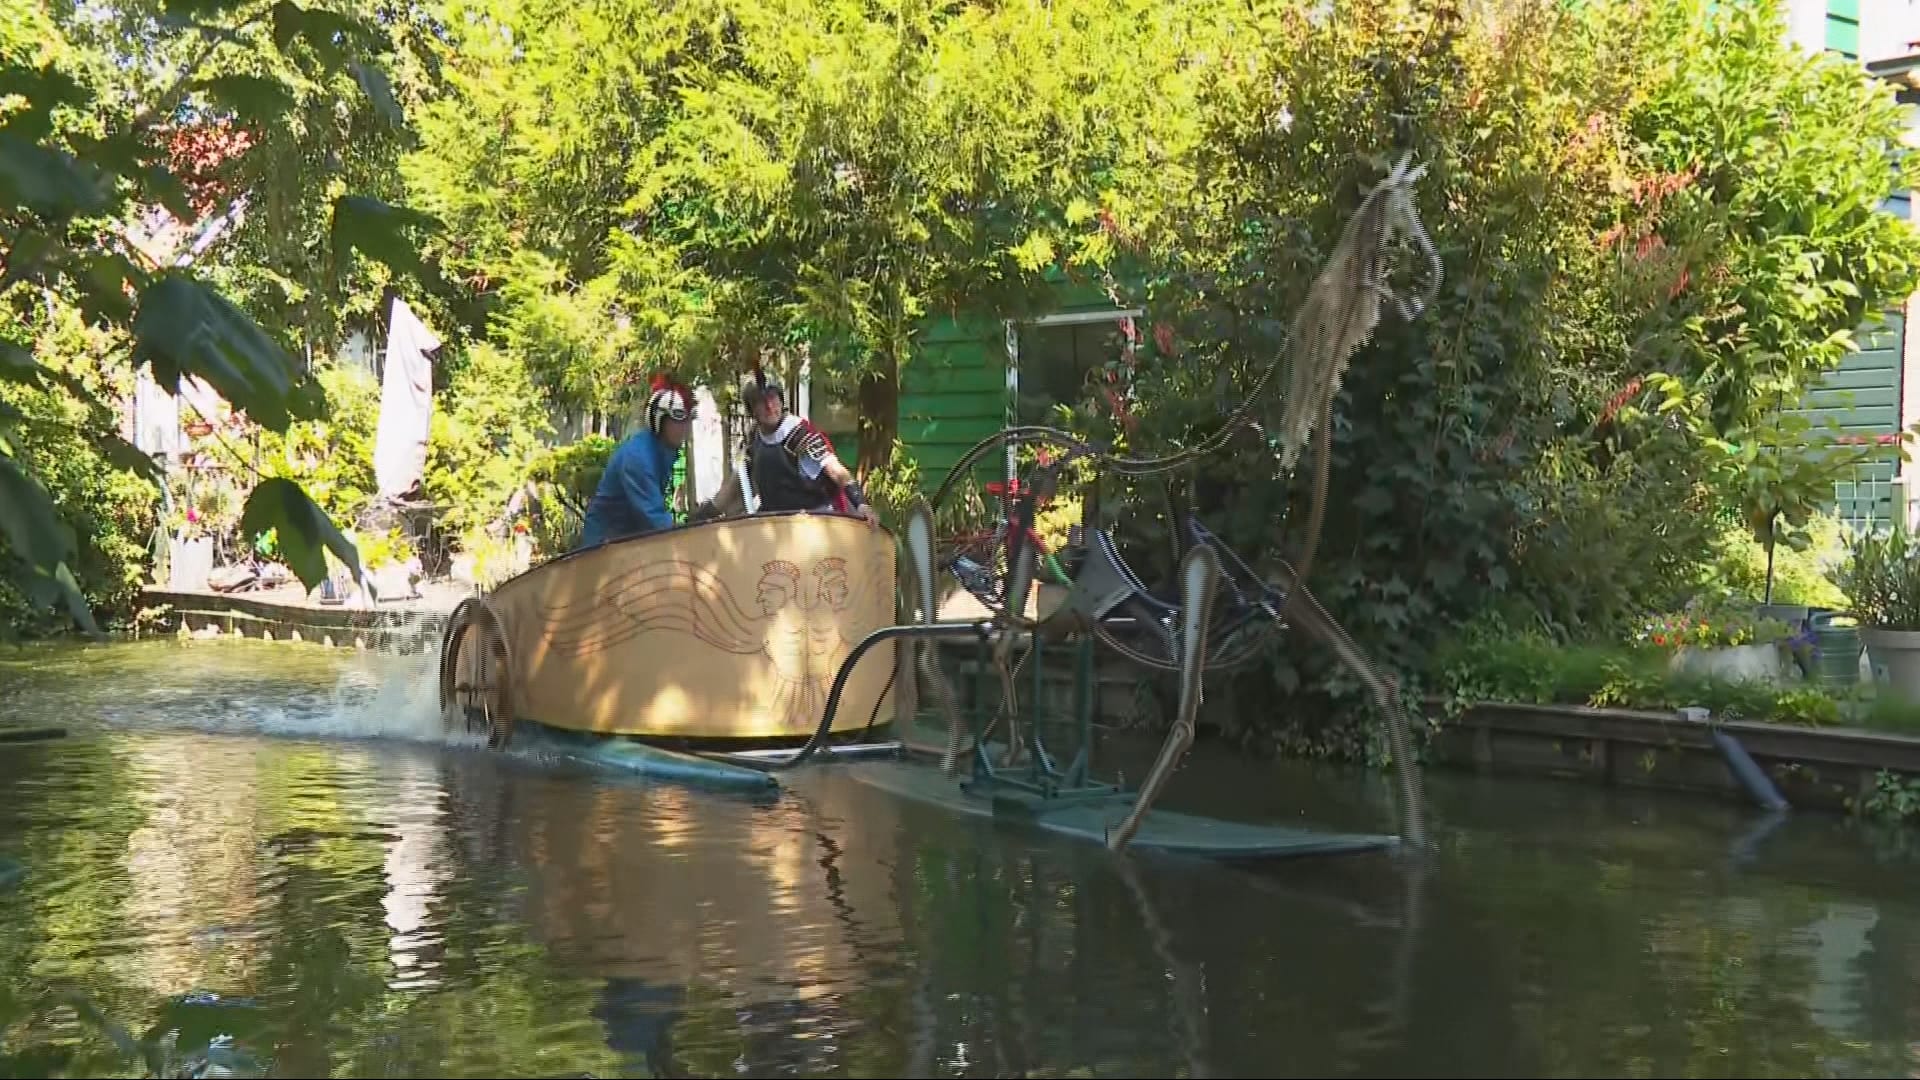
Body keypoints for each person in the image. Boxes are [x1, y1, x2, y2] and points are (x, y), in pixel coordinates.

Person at [691, 372, 878, 527]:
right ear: (751, 409)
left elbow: (837, 472)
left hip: (816, 525)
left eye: (772, 398)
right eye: (760, 401)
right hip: (776, 529)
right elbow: (733, 488)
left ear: (781, 400)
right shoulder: (753, 440)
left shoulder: (800, 434)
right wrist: (699, 518)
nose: (769, 406)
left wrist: (861, 504)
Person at [578, 382, 695, 549]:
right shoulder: (638, 458)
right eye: (678, 420)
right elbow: (655, 518)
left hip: (629, 540)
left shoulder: (664, 450)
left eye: (688, 420)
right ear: (659, 420)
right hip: (605, 544)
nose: (685, 428)